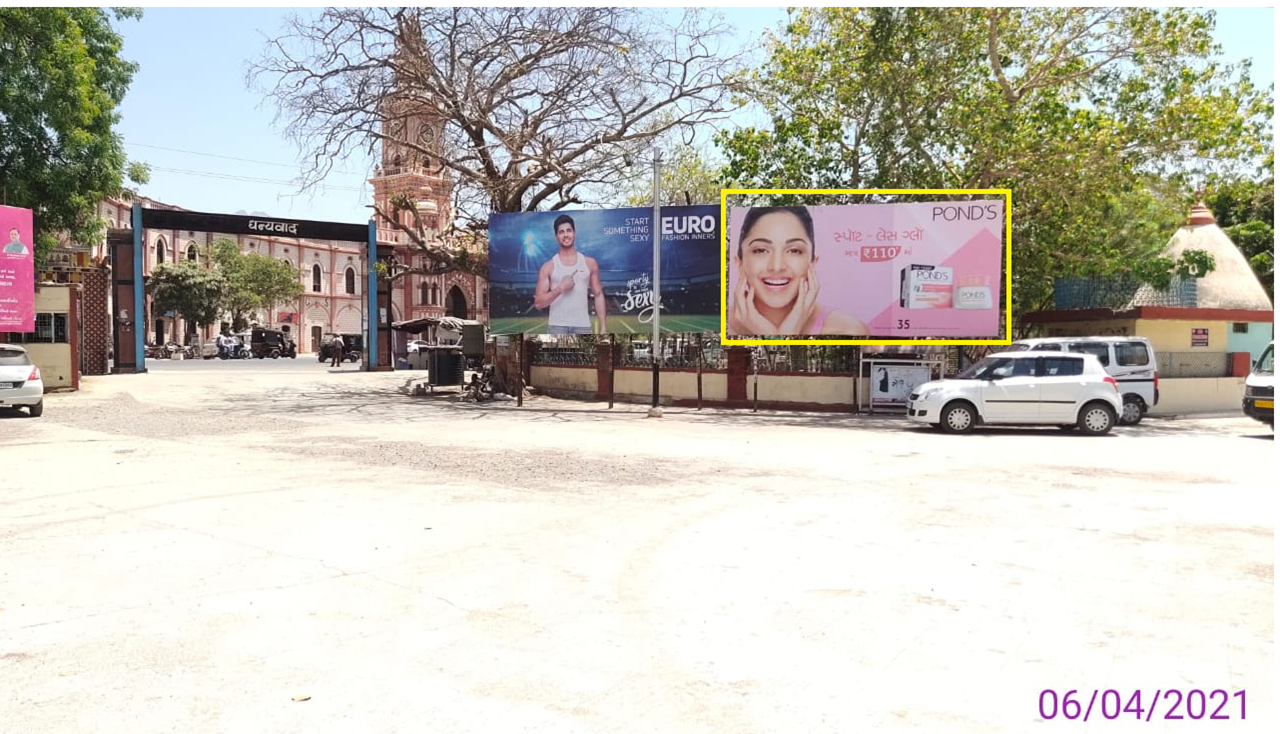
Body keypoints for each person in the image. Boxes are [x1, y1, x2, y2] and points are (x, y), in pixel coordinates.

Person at [728, 206, 869, 337]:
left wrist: (776, 335)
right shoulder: (721, 326)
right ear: (739, 263)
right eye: (761, 250)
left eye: (794, 251)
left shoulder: (848, 329)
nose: (777, 266)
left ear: (812, 263)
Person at [532, 214, 607, 335]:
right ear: (556, 236)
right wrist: (561, 288)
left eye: (569, 230)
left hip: (583, 327)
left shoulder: (589, 263)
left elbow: (598, 295)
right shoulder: (548, 267)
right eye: (561, 232)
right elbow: (539, 303)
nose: (566, 235)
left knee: (585, 354)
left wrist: (603, 328)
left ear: (574, 233)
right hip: (556, 327)